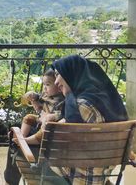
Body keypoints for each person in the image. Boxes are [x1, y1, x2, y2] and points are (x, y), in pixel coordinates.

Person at [52, 54, 128, 184]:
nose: (56, 82)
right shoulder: (104, 100)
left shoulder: (81, 105)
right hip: (103, 170)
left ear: (72, 73)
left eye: (58, 74)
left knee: (24, 149)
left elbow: (59, 140)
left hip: (79, 174)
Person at [19, 69, 64, 145]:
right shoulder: (46, 95)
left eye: (48, 84)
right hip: (41, 119)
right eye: (44, 84)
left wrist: (50, 116)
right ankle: (21, 136)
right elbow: (38, 97)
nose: (45, 87)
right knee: (29, 117)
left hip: (51, 125)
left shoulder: (61, 100)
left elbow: (61, 114)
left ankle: (28, 141)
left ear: (58, 86)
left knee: (47, 126)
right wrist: (32, 95)